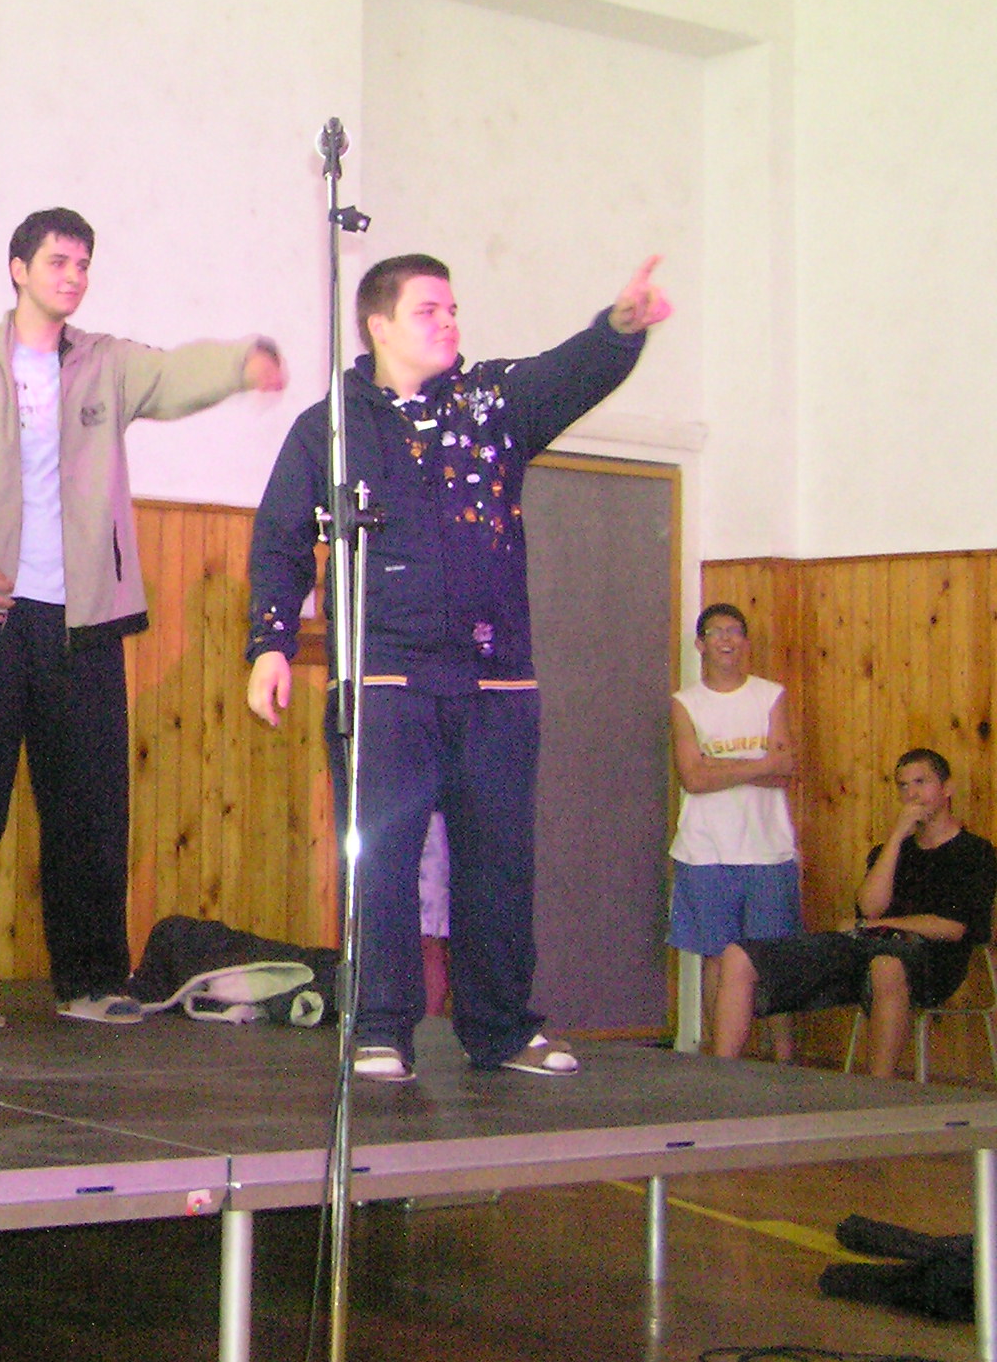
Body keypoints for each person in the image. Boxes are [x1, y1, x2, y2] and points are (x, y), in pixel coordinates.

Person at [246, 252, 671, 1081]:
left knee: (500, 865)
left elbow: (570, 373)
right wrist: (270, 644)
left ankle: (502, 1028)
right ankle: (379, 1028)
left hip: (497, 680)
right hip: (386, 683)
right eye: (428, 311)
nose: (449, 323)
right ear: (378, 325)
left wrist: (618, 329)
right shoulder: (331, 428)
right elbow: (281, 540)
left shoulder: (494, 402)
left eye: (453, 310)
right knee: (381, 864)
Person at [0, 208, 285, 1028]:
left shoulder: (106, 364)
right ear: (18, 269)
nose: (73, 276)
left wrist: (241, 363)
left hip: (84, 624)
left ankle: (90, 979)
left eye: (83, 264)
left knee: (89, 810)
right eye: (58, 261)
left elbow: (174, 375)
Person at [713, 749, 997, 1079]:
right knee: (738, 955)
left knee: (886, 965)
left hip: (932, 961)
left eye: (921, 782)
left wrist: (878, 925)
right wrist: (896, 838)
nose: (912, 794)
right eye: (903, 786)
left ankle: (877, 1090)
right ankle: (722, 1078)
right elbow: (869, 907)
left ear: (947, 788)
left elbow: (953, 928)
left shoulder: (975, 853)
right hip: (867, 945)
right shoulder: (890, 852)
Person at [670, 602, 802, 1059]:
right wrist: (759, 763)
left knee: (774, 959)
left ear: (745, 641)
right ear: (700, 644)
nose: (726, 639)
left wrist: (719, 765)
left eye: (734, 631)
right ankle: (720, 1059)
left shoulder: (770, 695)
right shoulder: (685, 703)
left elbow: (783, 772)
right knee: (717, 958)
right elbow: (693, 778)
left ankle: (784, 1058)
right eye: (715, 632)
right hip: (705, 852)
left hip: (768, 850)